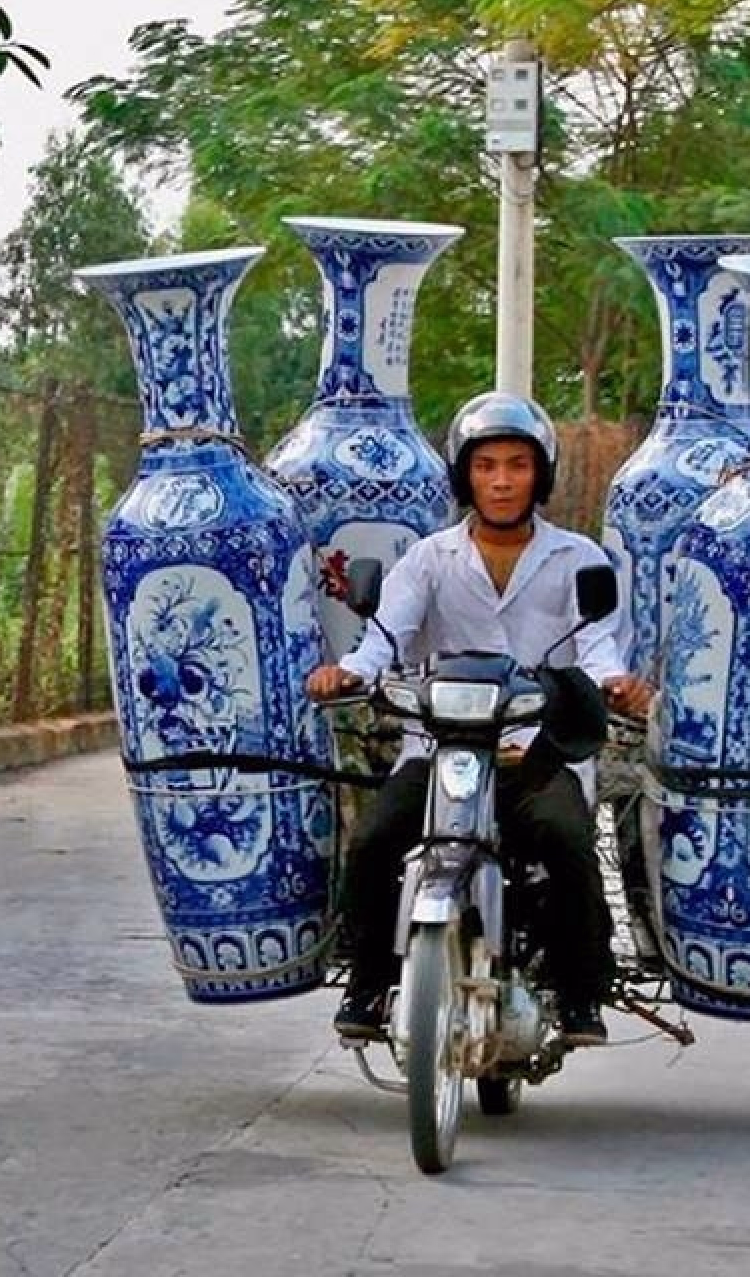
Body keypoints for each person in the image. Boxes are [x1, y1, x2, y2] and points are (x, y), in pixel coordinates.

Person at [306, 391, 654, 1047]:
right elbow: (386, 633)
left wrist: (616, 686)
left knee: (568, 840)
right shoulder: (429, 558)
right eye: (486, 464)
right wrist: (351, 671)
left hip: (537, 750)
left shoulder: (578, 557)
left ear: (540, 473)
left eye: (517, 465)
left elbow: (600, 645)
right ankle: (371, 979)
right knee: (376, 841)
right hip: (440, 748)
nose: (500, 480)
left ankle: (582, 988)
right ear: (465, 474)